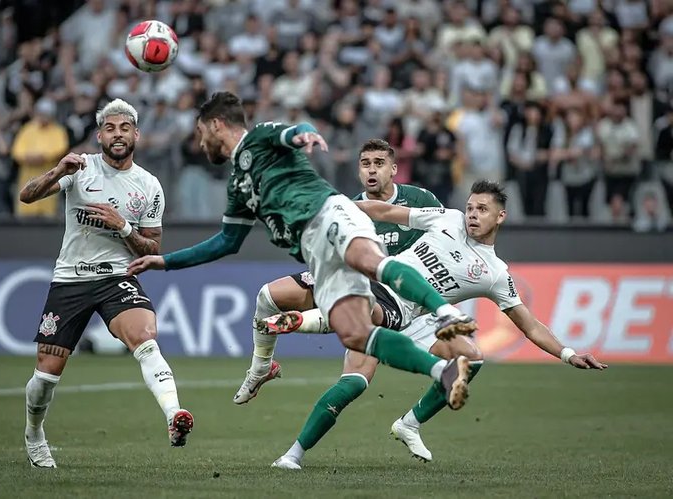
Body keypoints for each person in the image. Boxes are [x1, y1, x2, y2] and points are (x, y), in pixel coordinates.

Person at [128, 91, 479, 424]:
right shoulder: (238, 186)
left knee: (369, 260)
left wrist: (306, 135)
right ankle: (441, 371)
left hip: (331, 213)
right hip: (314, 251)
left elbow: (296, 132)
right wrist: (166, 261)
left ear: (217, 124)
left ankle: (446, 313)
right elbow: (225, 243)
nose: (199, 141)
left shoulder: (261, 136)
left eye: (201, 130)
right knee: (356, 334)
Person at [267, 180, 608, 470]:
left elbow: (530, 325)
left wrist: (567, 353)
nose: (473, 215)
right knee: (355, 382)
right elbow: (386, 212)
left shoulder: (494, 274)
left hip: (418, 317)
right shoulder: (449, 219)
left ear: (500, 216)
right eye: (471, 207)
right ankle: (292, 455)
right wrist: (336, 206)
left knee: (471, 358)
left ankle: (409, 423)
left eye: (483, 210)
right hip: (379, 289)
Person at [18, 98, 193, 468]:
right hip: (70, 278)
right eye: (110, 128)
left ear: (136, 135)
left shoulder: (148, 186)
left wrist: (123, 226)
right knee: (47, 374)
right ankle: (34, 436)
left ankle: (174, 415)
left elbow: (151, 247)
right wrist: (56, 171)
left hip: (117, 278)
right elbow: (27, 195)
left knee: (145, 337)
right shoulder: (78, 168)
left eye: (124, 128)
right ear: (100, 135)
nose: (117, 134)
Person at [233, 138, 443, 405]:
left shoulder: (420, 199)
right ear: (358, 170)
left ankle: (412, 420)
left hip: (400, 299)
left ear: (393, 169)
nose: (371, 170)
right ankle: (261, 368)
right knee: (268, 295)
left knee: (358, 375)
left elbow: (444, 240)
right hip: (354, 282)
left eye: (379, 164)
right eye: (365, 164)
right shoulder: (347, 209)